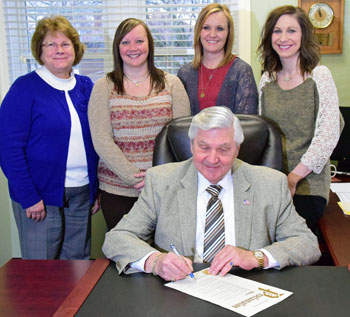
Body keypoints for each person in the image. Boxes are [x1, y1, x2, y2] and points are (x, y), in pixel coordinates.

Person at [102, 106, 321, 282]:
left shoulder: (270, 184)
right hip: (179, 294)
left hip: (247, 291)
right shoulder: (161, 181)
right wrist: (156, 261)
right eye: (204, 147)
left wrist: (256, 257)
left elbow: (307, 243)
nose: (212, 159)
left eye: (224, 149)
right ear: (191, 146)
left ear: (237, 149)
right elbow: (117, 238)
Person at [0, 16, 99, 260]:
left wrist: (95, 190)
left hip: (82, 191)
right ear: (39, 51)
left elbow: (98, 140)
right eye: (51, 45)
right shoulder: (25, 88)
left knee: (78, 268)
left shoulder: (86, 86)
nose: (59, 50)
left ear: (75, 49)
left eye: (65, 44)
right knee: (41, 272)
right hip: (40, 197)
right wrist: (28, 196)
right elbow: (8, 148)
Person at [88, 18, 190, 231]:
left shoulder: (172, 84)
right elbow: (101, 140)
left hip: (165, 188)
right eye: (125, 42)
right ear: (117, 47)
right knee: (126, 255)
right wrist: (134, 177)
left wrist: (156, 178)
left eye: (139, 41)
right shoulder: (103, 87)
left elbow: (182, 139)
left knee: (165, 257)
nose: (132, 48)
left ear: (149, 45)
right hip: (117, 191)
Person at [257, 5, 342, 234]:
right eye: (277, 31)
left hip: (307, 187)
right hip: (273, 184)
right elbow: (262, 135)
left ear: (304, 35)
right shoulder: (267, 79)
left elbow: (328, 134)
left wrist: (293, 179)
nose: (283, 38)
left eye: (291, 31)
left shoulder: (319, 76)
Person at [177, 3, 258, 115]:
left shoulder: (242, 71)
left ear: (228, 33)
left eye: (219, 29)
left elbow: (247, 123)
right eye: (206, 28)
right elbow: (180, 121)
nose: (212, 34)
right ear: (199, 31)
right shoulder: (184, 73)